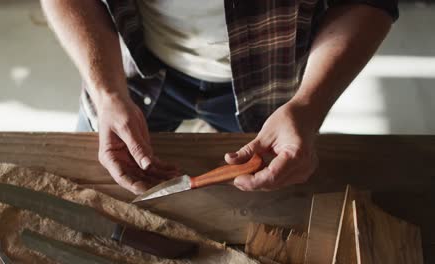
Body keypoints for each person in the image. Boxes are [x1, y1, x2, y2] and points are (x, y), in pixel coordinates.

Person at [41, 0, 398, 194]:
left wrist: (308, 106)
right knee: (91, 184)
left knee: (277, 189)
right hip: (130, 73)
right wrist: (106, 93)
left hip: (269, 82)